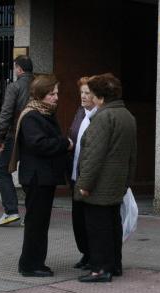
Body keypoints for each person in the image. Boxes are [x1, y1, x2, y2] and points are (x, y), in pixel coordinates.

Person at [75, 73, 137, 283]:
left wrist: (84, 184)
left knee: (98, 227)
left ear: (100, 96)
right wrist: (127, 181)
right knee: (113, 224)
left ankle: (100, 269)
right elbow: (132, 155)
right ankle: (114, 265)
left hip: (100, 184)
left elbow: (94, 154)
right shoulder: (126, 115)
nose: (89, 97)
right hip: (117, 183)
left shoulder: (103, 117)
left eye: (91, 93)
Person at [12, 74, 73, 277]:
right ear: (40, 94)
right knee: (36, 223)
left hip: (44, 177)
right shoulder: (31, 116)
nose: (56, 97)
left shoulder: (44, 113)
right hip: (37, 178)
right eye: (51, 93)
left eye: (56, 93)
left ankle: (36, 261)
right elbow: (38, 144)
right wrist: (65, 144)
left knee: (40, 222)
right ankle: (30, 265)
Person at [0, 55, 33, 226]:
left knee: (2, 169)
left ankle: (11, 211)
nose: (15, 70)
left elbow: (6, 113)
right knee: (30, 172)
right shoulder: (39, 85)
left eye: (15, 67)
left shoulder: (14, 87)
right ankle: (32, 214)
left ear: (19, 69)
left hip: (14, 136)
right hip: (34, 135)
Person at [68, 77, 97, 270]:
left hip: (89, 178)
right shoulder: (80, 113)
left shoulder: (100, 115)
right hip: (74, 176)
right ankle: (85, 254)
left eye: (88, 93)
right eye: (82, 93)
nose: (84, 96)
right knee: (78, 221)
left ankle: (93, 255)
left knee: (91, 221)